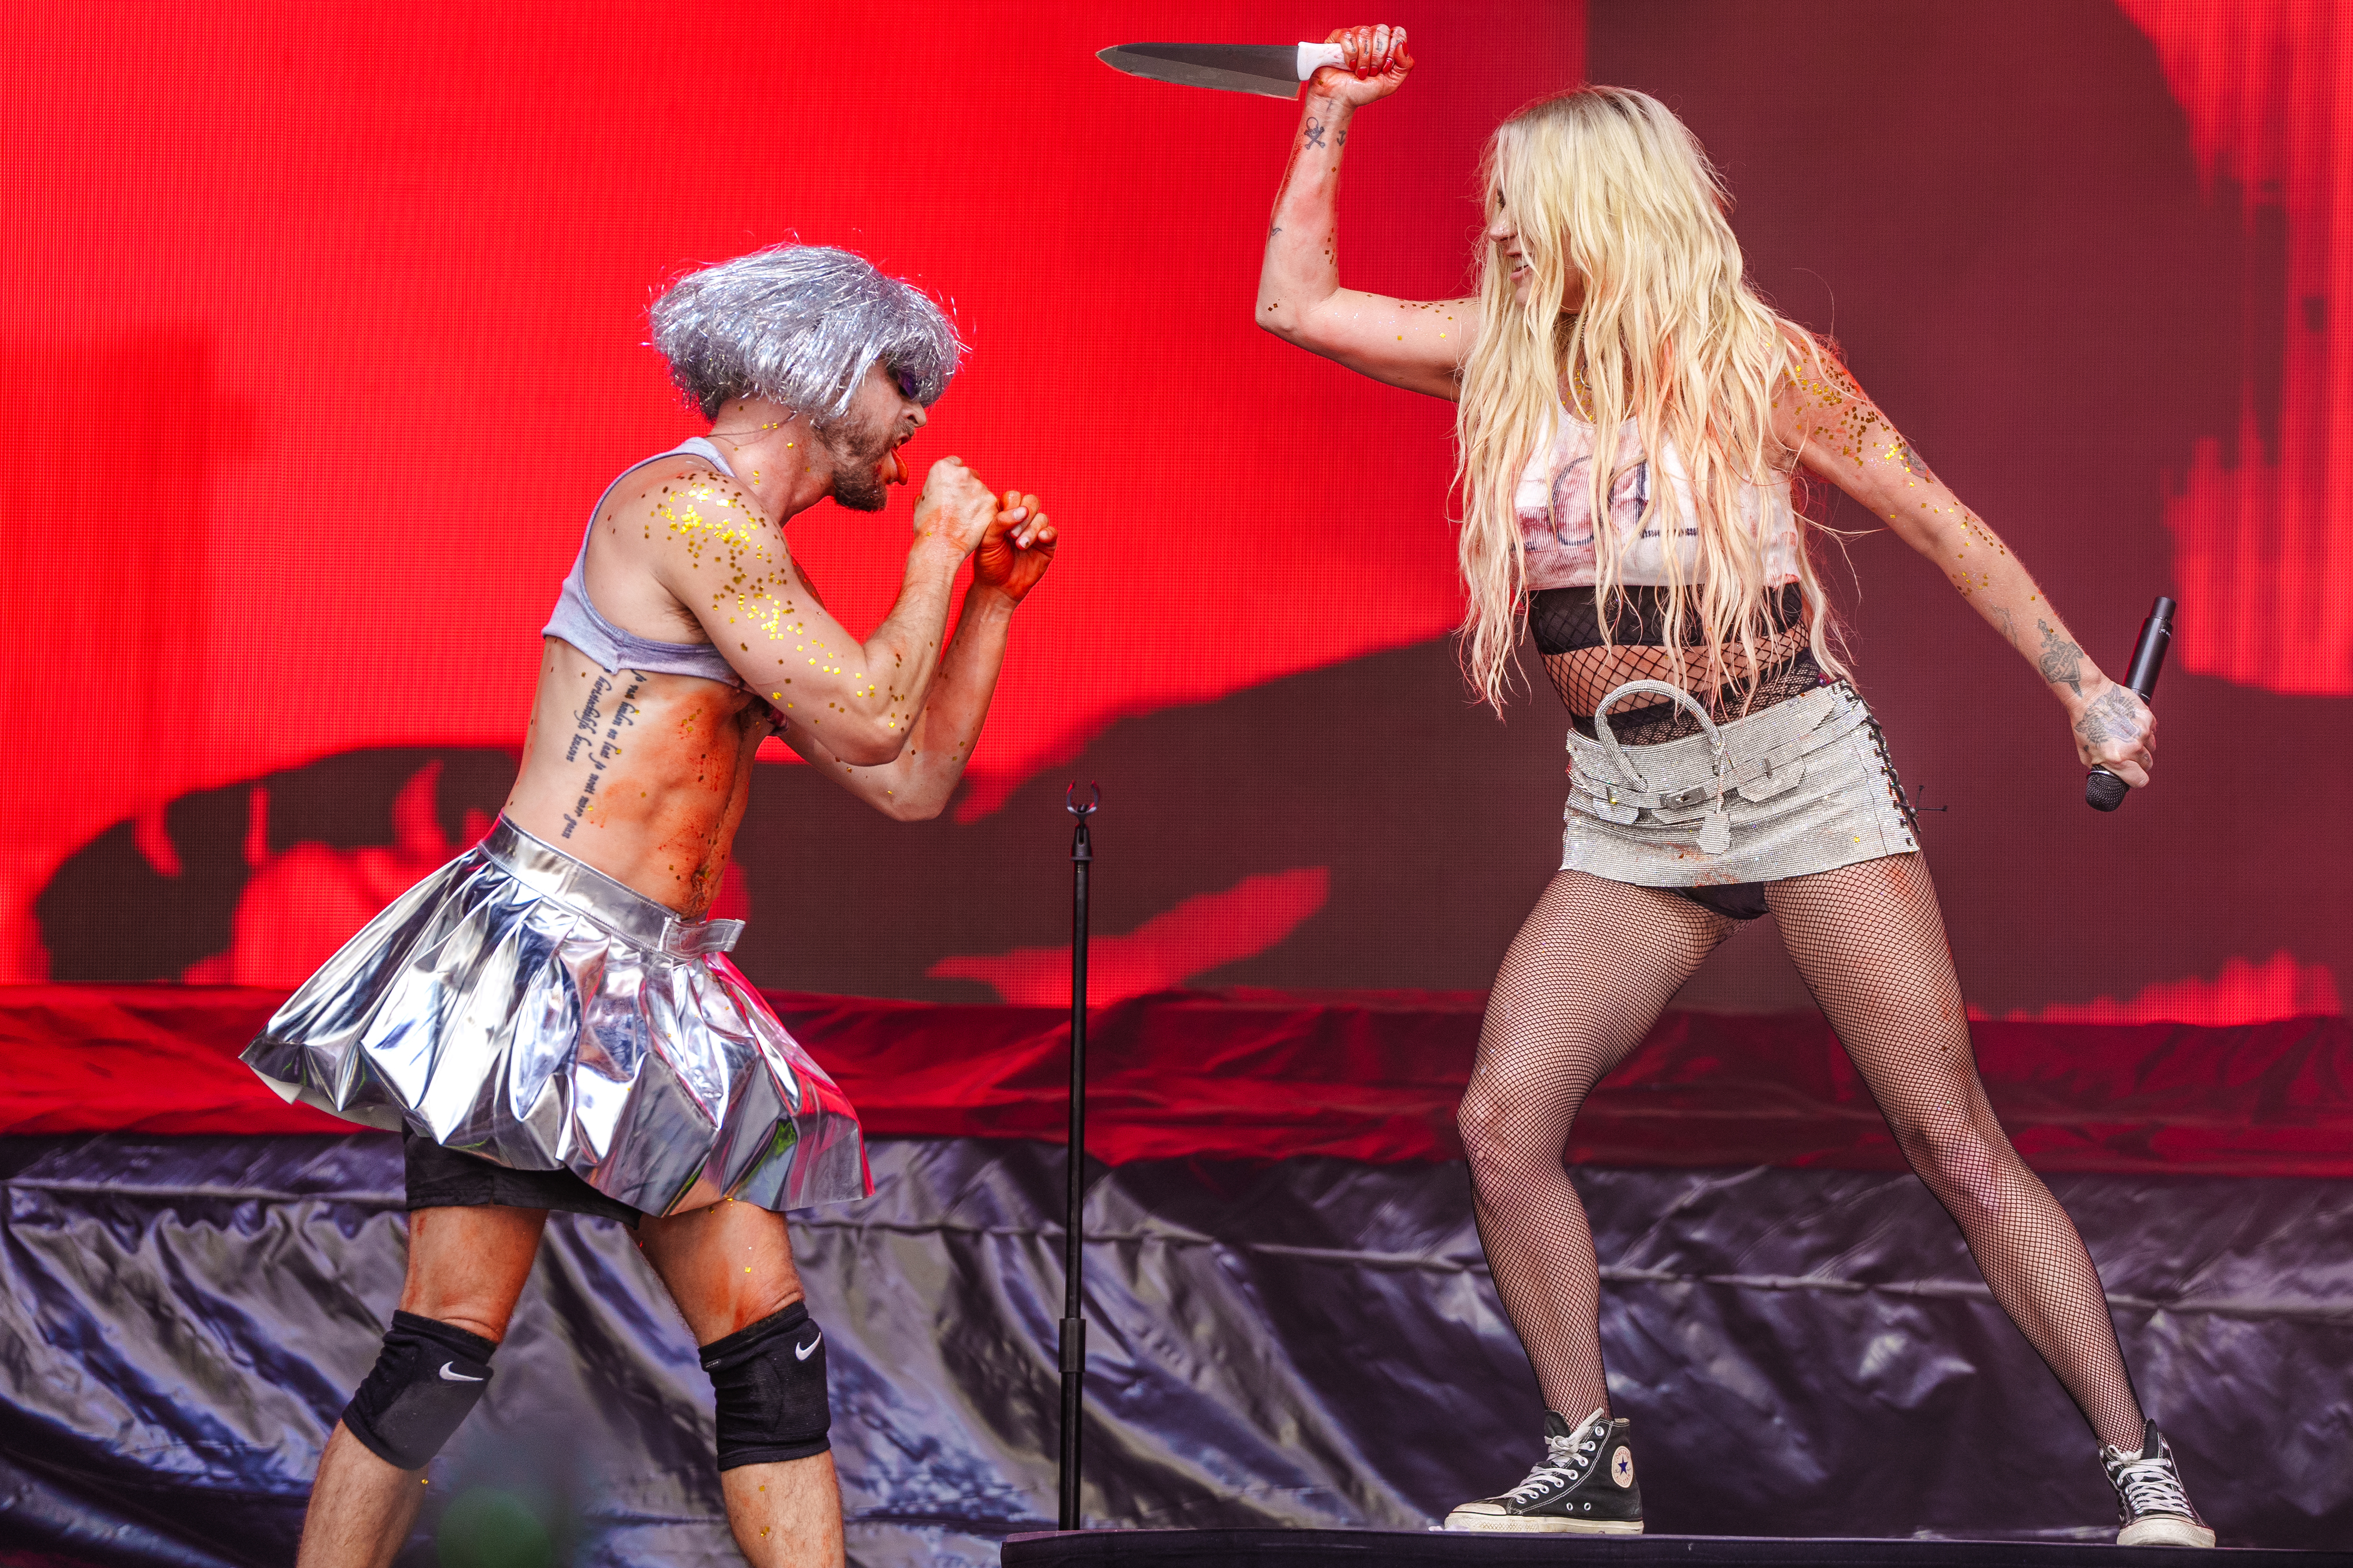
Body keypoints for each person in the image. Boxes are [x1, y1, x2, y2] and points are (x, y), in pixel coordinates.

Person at [1254, 26, 2209, 1549]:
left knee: (1951, 1136)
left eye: (1517, 198)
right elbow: (1293, 304)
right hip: (1628, 803)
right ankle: (1588, 1453)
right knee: (1503, 1119)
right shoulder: (1502, 356)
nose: (1493, 225)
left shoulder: (1756, 366)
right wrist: (1327, 117)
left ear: (1597, 205)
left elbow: (1940, 519)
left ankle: (2142, 1468)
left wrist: (2085, 684)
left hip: (1794, 769)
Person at [242, 244, 1059, 1567]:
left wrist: (985, 605)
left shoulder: (756, 565)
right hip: (533, 961)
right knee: (443, 1347)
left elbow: (904, 779)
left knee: (770, 1348)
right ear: (818, 373)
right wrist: (930, 550)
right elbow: (863, 705)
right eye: (899, 385)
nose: (916, 423)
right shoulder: (686, 511)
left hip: (655, 986)